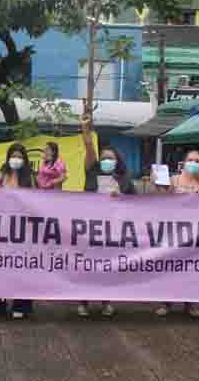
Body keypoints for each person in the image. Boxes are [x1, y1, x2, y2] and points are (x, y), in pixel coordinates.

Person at [79, 114, 136, 318]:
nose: (106, 161)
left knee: (107, 267)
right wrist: (85, 129)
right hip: (90, 228)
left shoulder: (124, 180)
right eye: (103, 158)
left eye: (110, 158)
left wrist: (121, 197)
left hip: (113, 230)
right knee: (87, 266)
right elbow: (89, 147)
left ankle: (106, 302)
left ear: (117, 161)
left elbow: (137, 203)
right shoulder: (92, 172)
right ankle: (84, 302)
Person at [155, 150, 199, 319]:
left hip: (195, 233)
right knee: (171, 268)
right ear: (184, 162)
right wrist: (157, 184)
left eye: (197, 161)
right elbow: (161, 199)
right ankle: (166, 303)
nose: (193, 163)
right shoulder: (174, 180)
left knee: (191, 269)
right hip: (174, 231)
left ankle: (190, 303)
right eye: (190, 160)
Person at [0, 143, 36, 320]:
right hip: (2, 227)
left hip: (22, 230)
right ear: (8, 157)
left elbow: (35, 202)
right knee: (0, 265)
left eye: (20, 157)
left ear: (24, 159)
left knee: (22, 266)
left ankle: (21, 304)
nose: (16, 159)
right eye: (13, 156)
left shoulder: (29, 178)